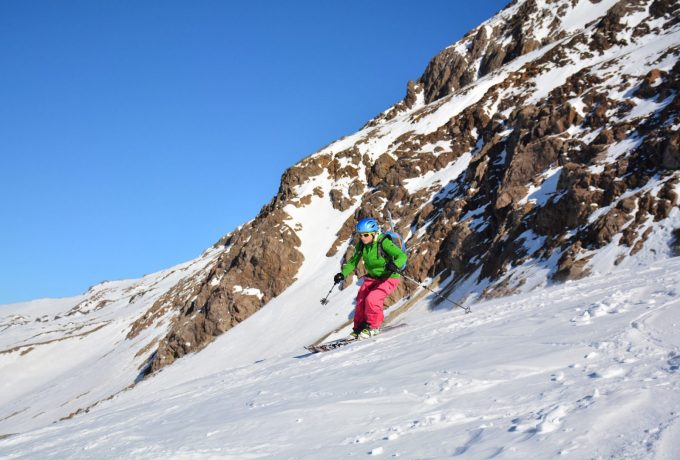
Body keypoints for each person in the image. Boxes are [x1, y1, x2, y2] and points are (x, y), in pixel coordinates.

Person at [334, 217, 407, 340]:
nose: (362, 238)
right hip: (373, 278)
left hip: (389, 277)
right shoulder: (362, 245)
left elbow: (402, 256)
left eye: (366, 235)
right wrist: (343, 274)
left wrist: (395, 264)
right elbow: (352, 262)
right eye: (360, 235)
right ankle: (359, 328)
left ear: (374, 233)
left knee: (373, 299)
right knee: (361, 299)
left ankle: (373, 327)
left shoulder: (383, 242)